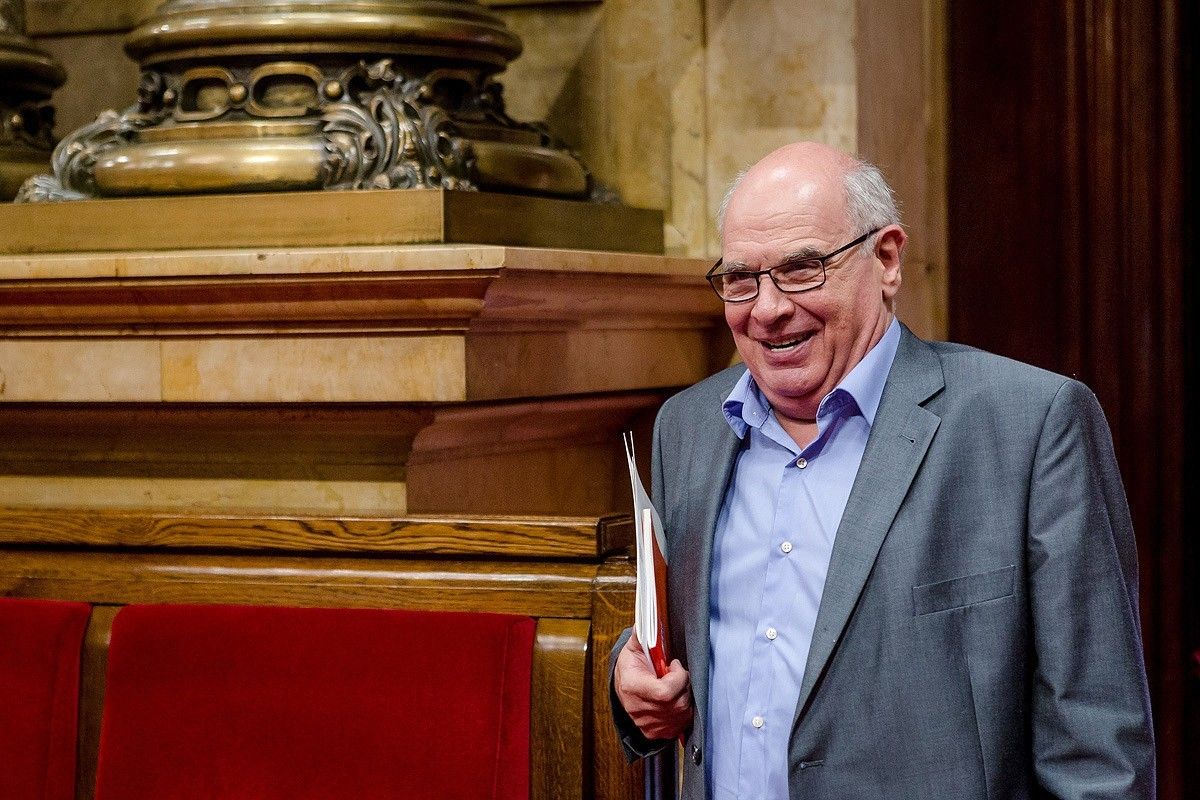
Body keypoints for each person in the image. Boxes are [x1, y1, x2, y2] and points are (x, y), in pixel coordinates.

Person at [610, 142, 1156, 799]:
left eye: (802, 268)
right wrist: (630, 679)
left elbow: (1100, 746)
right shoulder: (688, 427)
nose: (767, 308)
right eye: (740, 279)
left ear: (888, 259)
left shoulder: (1030, 426)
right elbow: (690, 637)